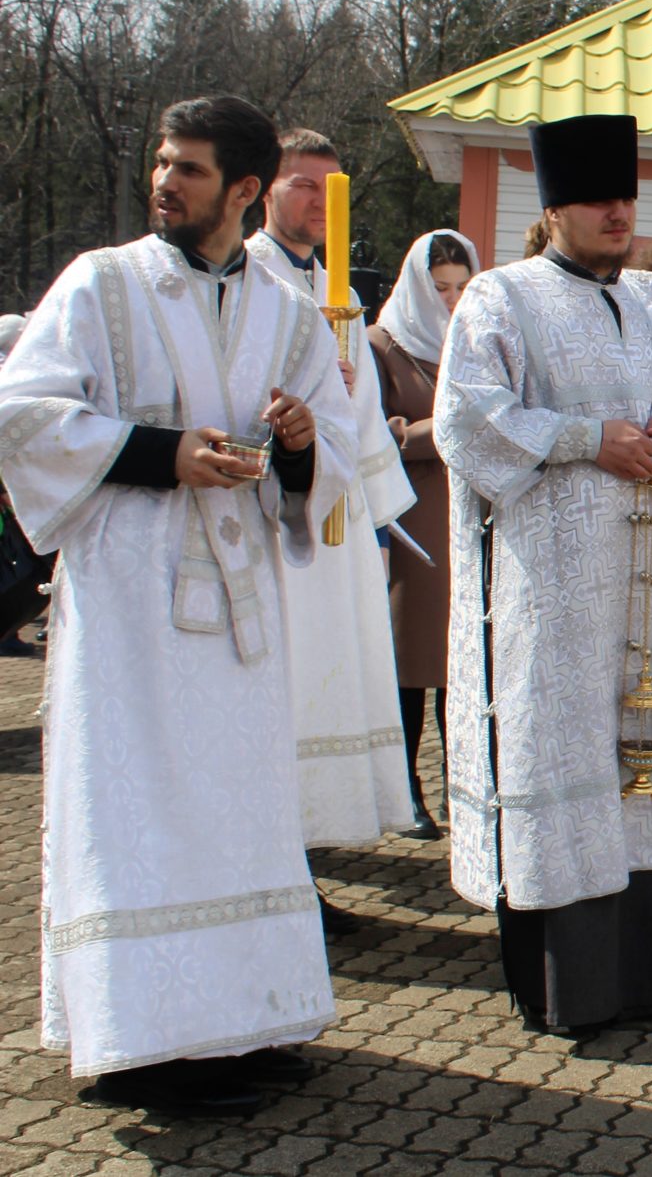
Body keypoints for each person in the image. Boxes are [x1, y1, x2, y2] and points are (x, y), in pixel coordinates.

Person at [0, 95, 354, 1115]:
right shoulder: (101, 286)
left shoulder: (286, 312)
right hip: (130, 594)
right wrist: (162, 453)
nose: (165, 182)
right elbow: (21, 415)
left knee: (234, 814)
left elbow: (330, 453)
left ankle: (239, 1024)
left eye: (190, 169)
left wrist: (294, 446)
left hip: (238, 600)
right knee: (137, 810)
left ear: (242, 190)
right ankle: (141, 1044)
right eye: (162, 163)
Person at [435, 113, 652, 1034]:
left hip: (645, 579)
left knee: (650, 751)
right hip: (550, 583)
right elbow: (467, 421)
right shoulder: (500, 298)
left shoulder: (648, 299)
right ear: (555, 203)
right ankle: (571, 984)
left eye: (628, 197)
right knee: (558, 742)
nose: (618, 212)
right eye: (599, 197)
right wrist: (582, 439)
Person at [248, 129, 417, 873]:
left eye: (333, 188)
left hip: (337, 529)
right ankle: (270, 863)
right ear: (262, 188)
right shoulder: (245, 280)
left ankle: (307, 860)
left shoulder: (340, 291)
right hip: (268, 522)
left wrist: (376, 515)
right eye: (304, 185)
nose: (320, 203)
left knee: (325, 683)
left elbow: (363, 411)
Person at [368, 230, 479, 840]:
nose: (453, 300)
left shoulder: (477, 342)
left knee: (459, 670)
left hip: (467, 521)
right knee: (409, 666)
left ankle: (463, 790)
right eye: (440, 288)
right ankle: (403, 791)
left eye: (463, 287)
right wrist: (445, 427)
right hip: (413, 522)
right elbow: (377, 436)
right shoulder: (383, 346)